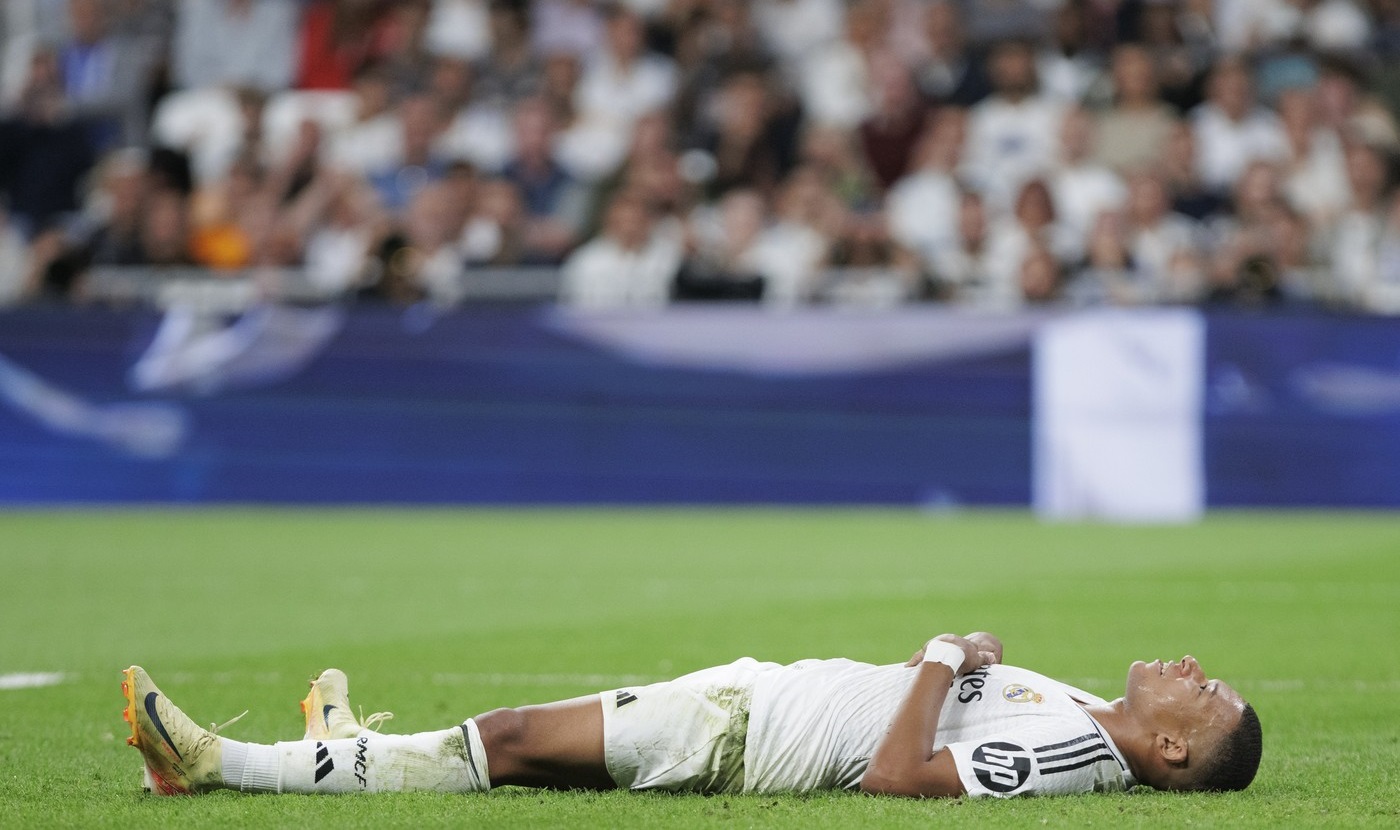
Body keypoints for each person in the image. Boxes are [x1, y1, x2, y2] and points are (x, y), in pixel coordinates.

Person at [121, 630, 1262, 800]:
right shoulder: (1087, 716)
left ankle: (224, 761)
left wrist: (938, 656)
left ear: (1170, 749)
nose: (1192, 668)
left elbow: (899, 777)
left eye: (1202, 697)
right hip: (752, 701)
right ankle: (342, 744)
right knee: (515, 736)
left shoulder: (1074, 750)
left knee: (511, 739)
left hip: (743, 734)